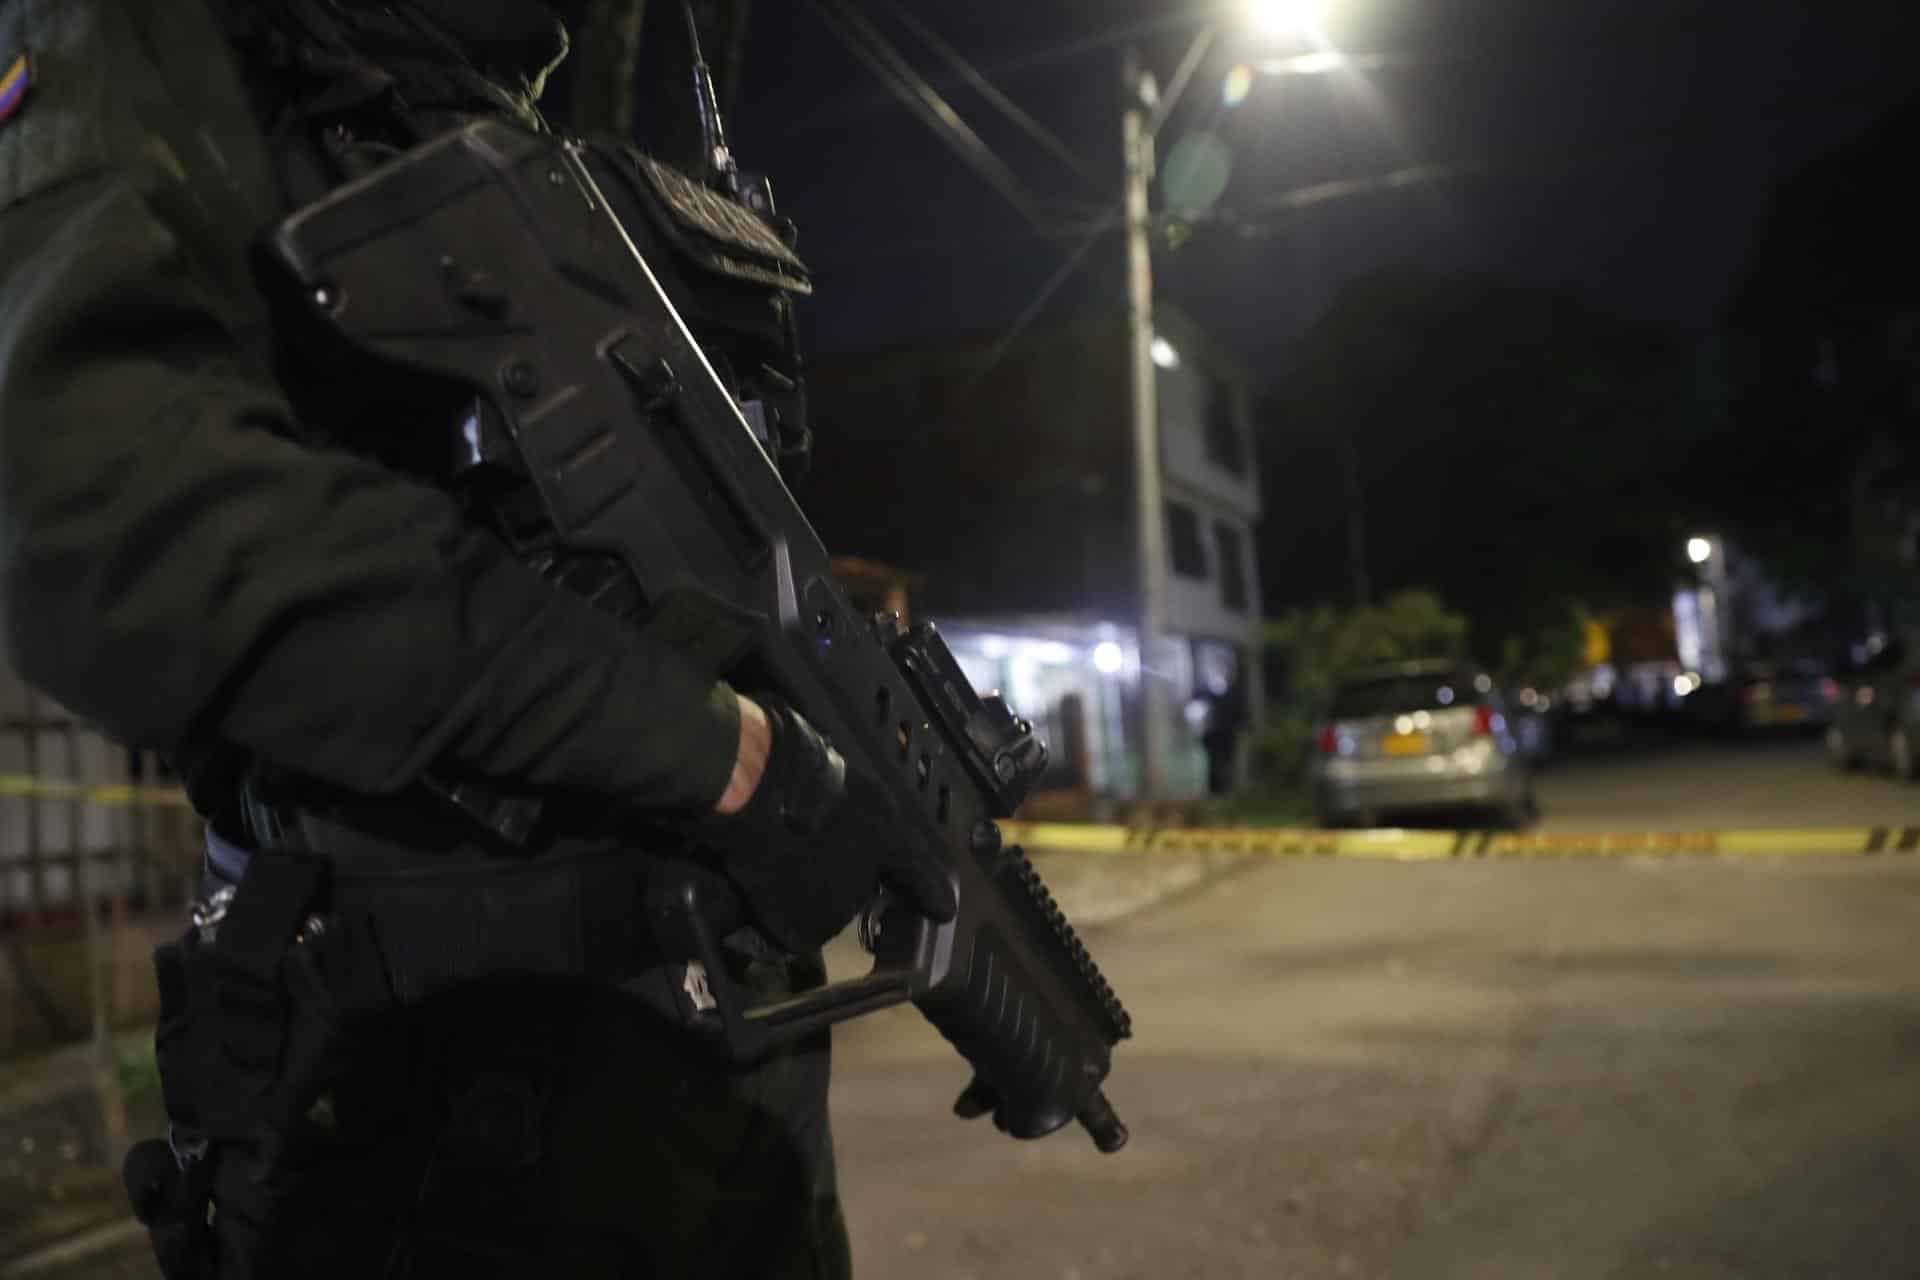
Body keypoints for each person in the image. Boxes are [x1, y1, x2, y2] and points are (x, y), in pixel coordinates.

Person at [0, 1, 947, 1275]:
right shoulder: (183, 37)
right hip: (425, 1129)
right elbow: (112, 524)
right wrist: (718, 749)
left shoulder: (490, 99)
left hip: (708, 1100)